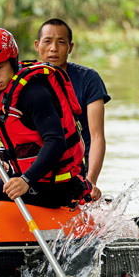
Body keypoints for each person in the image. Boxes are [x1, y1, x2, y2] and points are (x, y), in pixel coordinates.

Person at [0, 18, 109, 200]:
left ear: (12, 61)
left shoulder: (33, 92)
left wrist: (25, 180)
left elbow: (56, 142)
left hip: (55, 184)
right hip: (32, 176)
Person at [34, 18, 109, 200]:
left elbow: (97, 135)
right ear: (37, 45)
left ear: (70, 47)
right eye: (48, 41)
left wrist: (90, 180)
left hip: (75, 166)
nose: (53, 48)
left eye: (61, 42)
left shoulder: (88, 79)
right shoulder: (26, 79)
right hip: (38, 164)